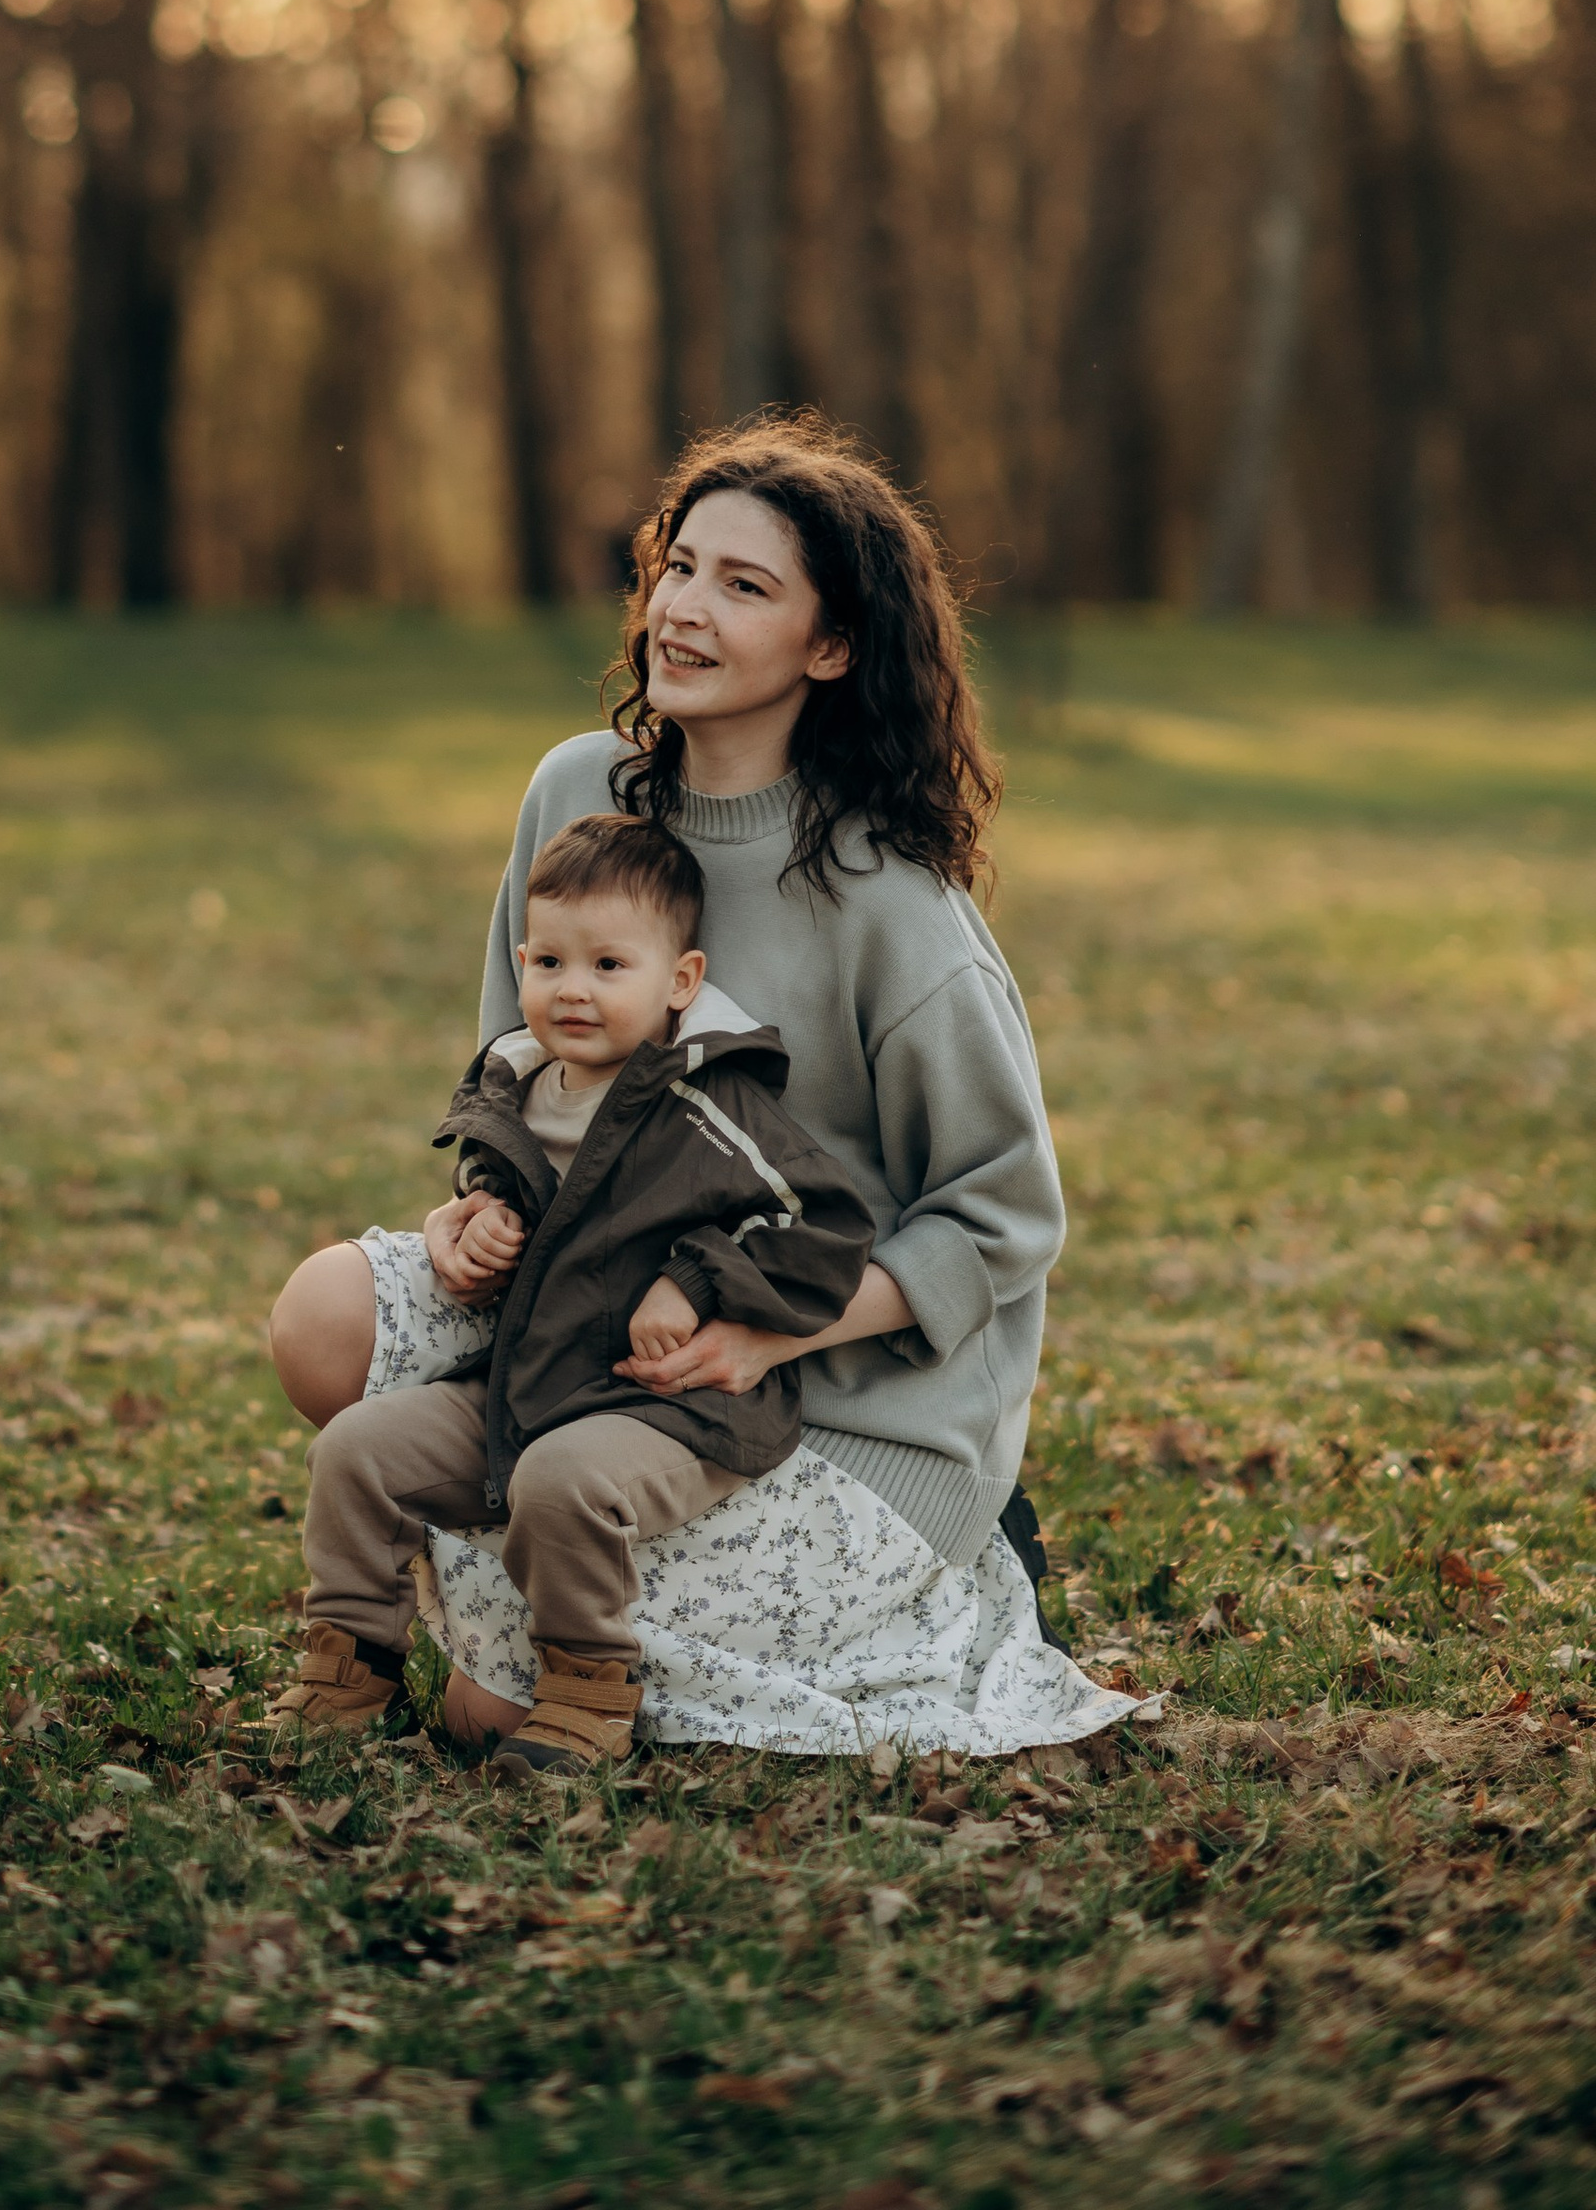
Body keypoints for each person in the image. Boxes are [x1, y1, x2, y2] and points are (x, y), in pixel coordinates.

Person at [265, 410, 1148, 1762]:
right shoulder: (579, 790)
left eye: (745, 587)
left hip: (837, 1390)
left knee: (492, 1711)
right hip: (592, 1318)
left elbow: (1005, 1218)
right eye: (680, 566)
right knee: (325, 1318)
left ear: (831, 645)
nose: (685, 609)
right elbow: (523, 1071)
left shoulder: (891, 904)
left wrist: (767, 1333)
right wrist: (480, 1199)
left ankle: (929, 1577)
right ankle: (515, 1533)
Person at [271, 811, 872, 1774]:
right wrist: (480, 1215)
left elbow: (826, 1230)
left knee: (562, 1481)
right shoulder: (518, 1084)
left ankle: (587, 1694)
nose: (573, 990)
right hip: (528, 1377)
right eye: (549, 963)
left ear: (680, 982)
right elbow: (506, 1186)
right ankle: (349, 1665)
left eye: (608, 966)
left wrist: (695, 1278)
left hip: (671, 1405)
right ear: (521, 962)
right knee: (356, 1452)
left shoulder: (712, 1106)